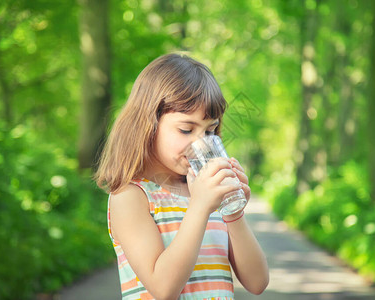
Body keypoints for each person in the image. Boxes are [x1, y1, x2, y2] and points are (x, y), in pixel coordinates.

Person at [95, 53, 269, 300]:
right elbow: (163, 289)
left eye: (210, 130)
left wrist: (233, 212)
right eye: (186, 129)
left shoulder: (207, 192)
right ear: (148, 124)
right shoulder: (131, 197)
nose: (201, 142)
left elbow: (257, 282)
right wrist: (199, 207)